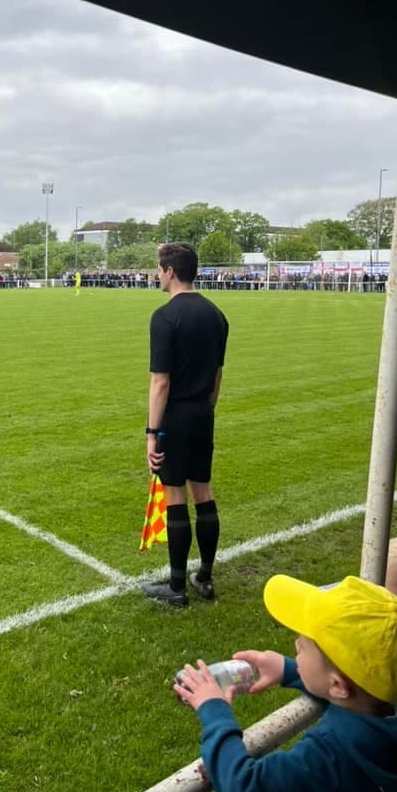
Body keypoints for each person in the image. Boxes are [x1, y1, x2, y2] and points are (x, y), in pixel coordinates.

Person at [174, 574, 397, 792]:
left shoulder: (329, 755)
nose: (296, 644)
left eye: (303, 646)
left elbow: (247, 788)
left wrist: (215, 712)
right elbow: (354, 699)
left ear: (337, 685)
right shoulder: (390, 710)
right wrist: (289, 670)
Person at [142, 242, 229, 607]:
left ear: (171, 271)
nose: (157, 276)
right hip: (203, 413)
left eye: (159, 270)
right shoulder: (217, 315)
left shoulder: (165, 317)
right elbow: (217, 375)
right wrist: (205, 407)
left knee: (175, 494)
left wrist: (151, 433)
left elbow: (160, 381)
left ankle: (177, 587)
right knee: (203, 492)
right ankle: (204, 577)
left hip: (175, 417)